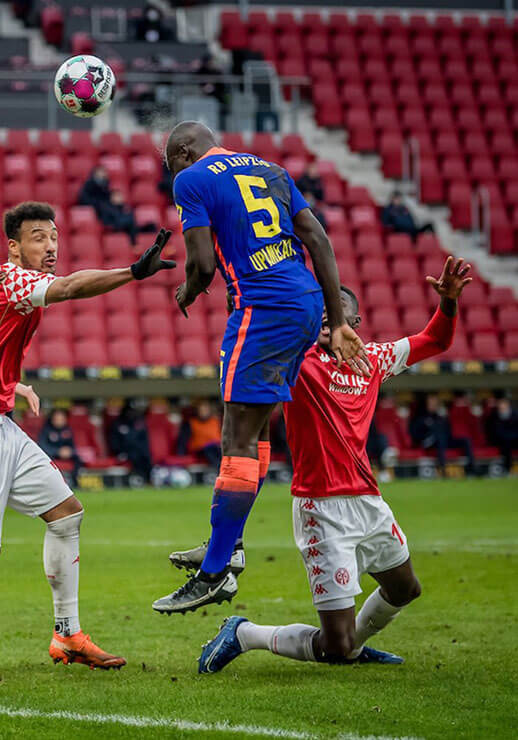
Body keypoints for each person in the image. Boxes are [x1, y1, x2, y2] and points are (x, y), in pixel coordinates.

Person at [0, 202, 175, 683]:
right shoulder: (14, 280)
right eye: (38, 237)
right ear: (13, 245)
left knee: (66, 512)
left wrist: (7, 383)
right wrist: (134, 272)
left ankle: (67, 634)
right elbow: (71, 288)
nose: (50, 247)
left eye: (53, 237)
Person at [196, 257, 470, 674]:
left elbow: (436, 340)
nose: (327, 314)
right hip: (320, 508)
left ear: (354, 319)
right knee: (335, 645)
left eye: (337, 309)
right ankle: (244, 633)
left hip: (369, 502)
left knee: (405, 588)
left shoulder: (374, 359)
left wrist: (448, 303)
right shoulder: (297, 360)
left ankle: (353, 646)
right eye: (322, 307)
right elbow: (254, 339)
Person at [156, 121, 368, 614]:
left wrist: (188, 290)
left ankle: (214, 572)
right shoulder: (269, 168)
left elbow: (203, 264)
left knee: (236, 438)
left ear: (186, 152)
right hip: (306, 301)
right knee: (256, 430)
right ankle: (227, 546)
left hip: (263, 304)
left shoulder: (191, 179)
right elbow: (317, 238)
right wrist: (336, 321)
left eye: (172, 164)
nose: (173, 175)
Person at [78, 166, 157, 246]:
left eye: (104, 173)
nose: (103, 175)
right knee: (129, 221)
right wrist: (99, 204)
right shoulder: (89, 186)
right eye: (101, 173)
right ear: (95, 174)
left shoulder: (106, 188)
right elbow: (84, 200)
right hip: (106, 217)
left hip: (113, 214)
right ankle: (134, 243)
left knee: (134, 219)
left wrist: (118, 204)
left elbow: (111, 201)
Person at [409, 393, 475, 475]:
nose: (434, 405)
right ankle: (443, 469)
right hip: (426, 442)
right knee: (440, 438)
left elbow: (448, 433)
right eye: (431, 403)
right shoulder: (420, 417)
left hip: (443, 442)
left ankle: (472, 469)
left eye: (435, 403)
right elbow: (415, 434)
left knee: (465, 441)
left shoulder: (440, 417)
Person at [107, 400, 152, 483]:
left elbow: (144, 442)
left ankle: (148, 480)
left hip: (139, 452)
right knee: (134, 458)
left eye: (132, 411)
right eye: (129, 411)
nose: (130, 413)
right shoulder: (118, 424)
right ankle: (138, 479)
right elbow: (114, 442)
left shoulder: (139, 424)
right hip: (124, 453)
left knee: (146, 458)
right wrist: (119, 452)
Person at [38, 408, 82, 488]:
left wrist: (70, 451)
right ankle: (52, 484)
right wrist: (58, 452)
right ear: (52, 419)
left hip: (66, 455)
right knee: (46, 459)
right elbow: (42, 447)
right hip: (52, 455)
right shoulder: (46, 430)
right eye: (57, 419)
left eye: (62, 419)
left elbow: (73, 446)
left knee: (78, 458)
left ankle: (75, 482)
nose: (59, 421)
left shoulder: (68, 430)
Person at [177, 399, 223, 471]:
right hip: (200, 449)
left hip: (216, 447)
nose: (203, 412)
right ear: (197, 411)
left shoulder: (215, 421)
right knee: (210, 450)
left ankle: (224, 469)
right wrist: (181, 455)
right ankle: (218, 470)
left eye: (205, 410)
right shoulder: (191, 423)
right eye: (201, 410)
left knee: (219, 450)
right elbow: (183, 441)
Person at [486, 397, 517, 472]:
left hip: (514, 438)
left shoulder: (515, 415)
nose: (502, 407)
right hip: (502, 440)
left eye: (503, 405)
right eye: (500, 406)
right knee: (506, 445)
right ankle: (508, 468)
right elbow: (496, 431)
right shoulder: (494, 416)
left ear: (507, 405)